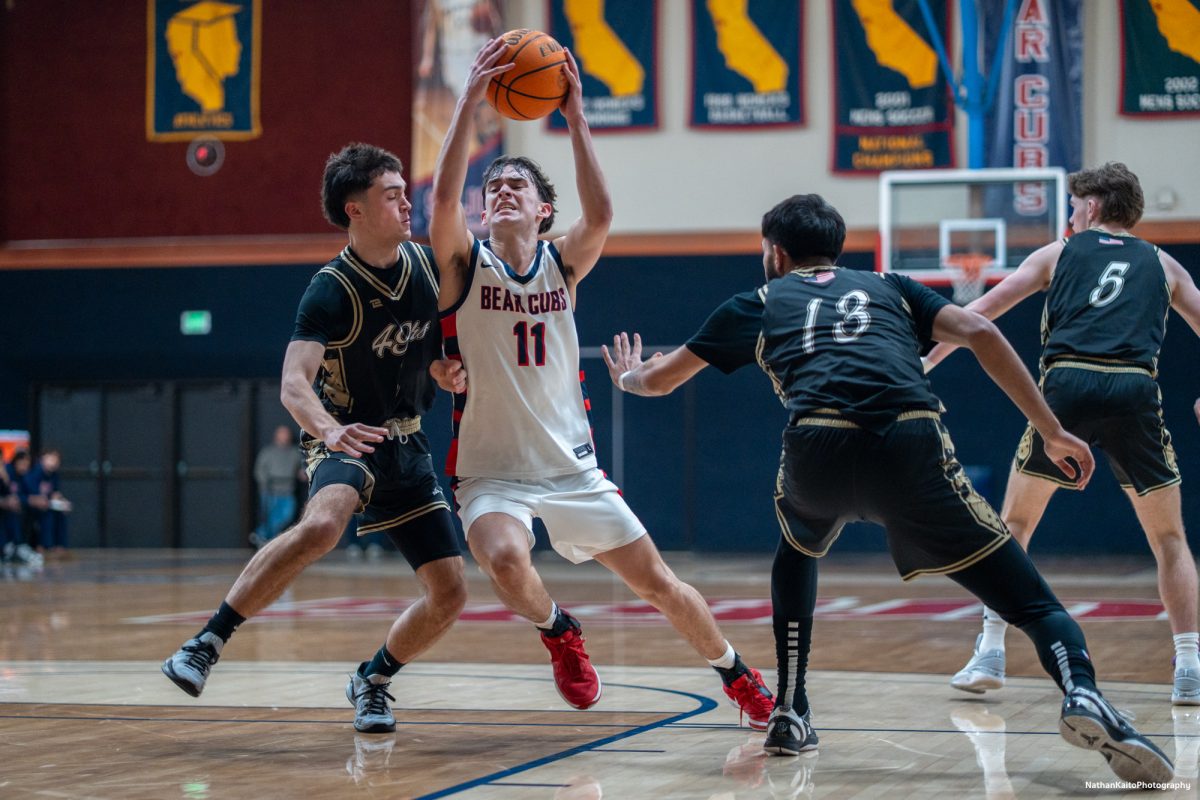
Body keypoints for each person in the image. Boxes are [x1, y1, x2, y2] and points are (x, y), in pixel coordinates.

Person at [601, 193, 1173, 783]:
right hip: (909, 445)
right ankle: (1081, 692)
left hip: (817, 450)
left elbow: (659, 382)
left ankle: (790, 710)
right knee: (1031, 603)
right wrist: (1051, 430)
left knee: (797, 548)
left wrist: (629, 376)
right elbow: (978, 329)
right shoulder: (892, 286)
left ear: (774, 252)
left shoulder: (757, 302)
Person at [425, 38, 774, 726]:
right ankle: (560, 632)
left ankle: (736, 674)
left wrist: (577, 113)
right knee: (500, 557)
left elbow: (604, 213)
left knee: (661, 586)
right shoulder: (465, 266)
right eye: (493, 188)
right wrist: (467, 99)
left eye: (516, 186)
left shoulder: (563, 265)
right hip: (491, 470)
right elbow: (441, 201)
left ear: (542, 211)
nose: (501, 193)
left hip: (570, 467)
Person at [163, 143, 468, 734]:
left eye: (406, 191)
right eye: (393, 194)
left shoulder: (428, 267)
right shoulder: (330, 289)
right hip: (345, 433)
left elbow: (431, 354)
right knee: (323, 526)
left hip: (407, 441)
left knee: (451, 593)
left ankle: (372, 680)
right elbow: (292, 384)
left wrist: (443, 372)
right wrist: (330, 430)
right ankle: (206, 642)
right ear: (355, 210)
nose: (409, 201)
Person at [923, 162, 1200, 706]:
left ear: (1093, 207)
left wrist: (928, 359)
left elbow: (982, 312)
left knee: (1015, 525)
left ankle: (991, 651)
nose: (1071, 215)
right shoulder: (1164, 265)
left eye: (1075, 206)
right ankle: (1189, 666)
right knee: (1169, 538)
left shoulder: (1057, 253)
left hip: (1067, 386)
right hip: (1133, 390)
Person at [250, 425, 304, 548]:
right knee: (270, 516)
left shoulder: (294, 452)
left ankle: (262, 535)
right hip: (271, 490)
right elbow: (259, 470)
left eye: (286, 433)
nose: (285, 436)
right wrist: (264, 483)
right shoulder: (267, 452)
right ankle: (265, 538)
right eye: (282, 433)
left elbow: (300, 469)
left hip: (288, 489)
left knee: (286, 515)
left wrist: (303, 474)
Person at [29, 448, 72, 558]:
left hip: (47, 503)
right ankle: (44, 546)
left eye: (56, 460)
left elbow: (55, 492)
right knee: (47, 514)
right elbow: (32, 492)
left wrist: (61, 501)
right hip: (33, 504)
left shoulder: (54, 475)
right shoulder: (36, 472)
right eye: (51, 458)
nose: (53, 462)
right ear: (43, 458)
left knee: (61, 513)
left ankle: (59, 545)